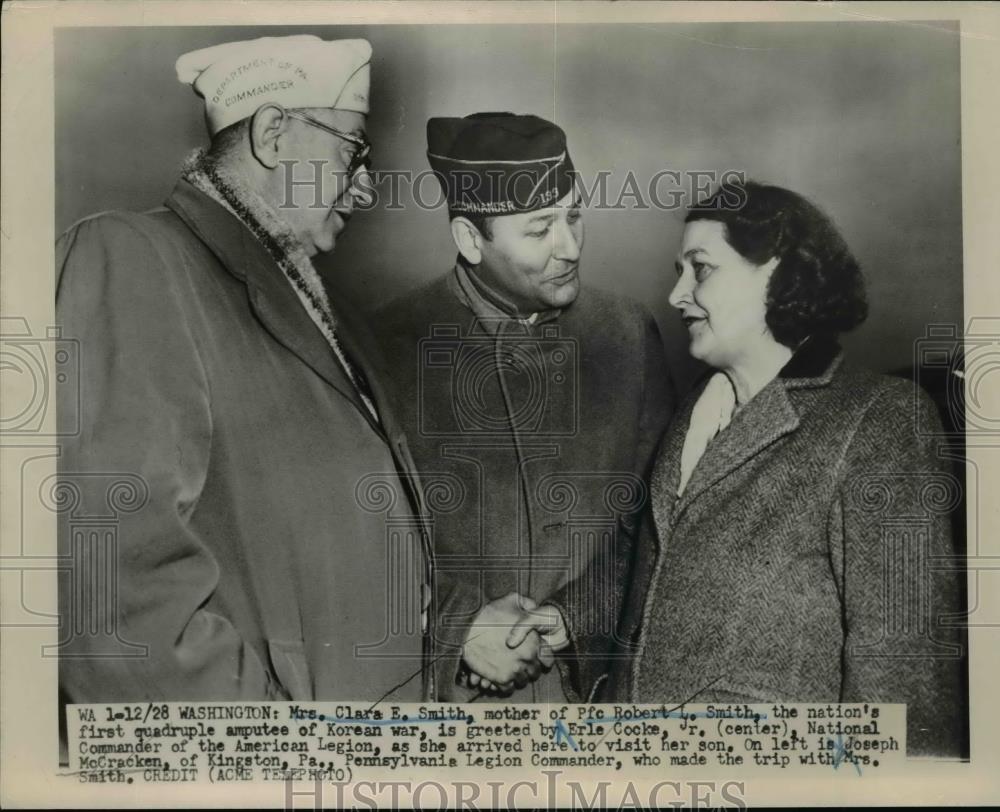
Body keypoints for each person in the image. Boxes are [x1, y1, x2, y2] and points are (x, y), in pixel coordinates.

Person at [56, 35, 435, 704]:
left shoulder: (314, 303)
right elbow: (117, 607)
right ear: (276, 134)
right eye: (353, 149)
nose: (369, 184)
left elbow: (331, 551)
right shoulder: (134, 256)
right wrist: (270, 755)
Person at [614, 180, 964, 756]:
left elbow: (904, 670)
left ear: (778, 272)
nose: (676, 294)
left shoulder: (881, 420)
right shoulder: (689, 420)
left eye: (699, 269)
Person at [376, 113, 673, 702]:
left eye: (574, 216)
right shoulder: (383, 349)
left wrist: (577, 613)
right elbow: (358, 539)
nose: (569, 247)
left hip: (595, 692)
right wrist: (456, 630)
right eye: (539, 229)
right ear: (469, 239)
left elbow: (659, 514)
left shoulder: (627, 332)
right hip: (446, 705)